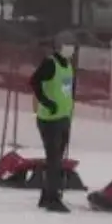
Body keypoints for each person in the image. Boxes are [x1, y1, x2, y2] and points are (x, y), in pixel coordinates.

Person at [30, 31, 76, 213]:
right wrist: (47, 103)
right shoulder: (51, 63)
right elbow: (34, 81)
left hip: (64, 118)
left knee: (56, 159)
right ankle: (53, 198)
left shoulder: (68, 65)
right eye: (67, 44)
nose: (71, 48)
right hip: (49, 119)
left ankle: (46, 195)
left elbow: (69, 89)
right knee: (54, 159)